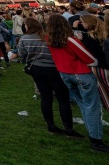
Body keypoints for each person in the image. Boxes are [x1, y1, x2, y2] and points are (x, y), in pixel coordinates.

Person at [46, 14, 109, 152]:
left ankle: (93, 133)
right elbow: (91, 59)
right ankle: (96, 139)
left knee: (83, 104)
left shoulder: (49, 39)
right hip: (80, 74)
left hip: (65, 74)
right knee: (92, 106)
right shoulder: (70, 40)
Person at [18, 17, 80, 137]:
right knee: (63, 99)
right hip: (55, 68)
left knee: (46, 97)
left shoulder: (24, 39)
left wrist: (28, 60)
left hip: (38, 69)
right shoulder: (50, 37)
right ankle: (68, 128)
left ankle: (51, 125)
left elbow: (22, 55)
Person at [78, 14, 109, 110]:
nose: (82, 24)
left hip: (99, 66)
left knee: (104, 89)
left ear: (89, 23)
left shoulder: (89, 37)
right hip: (104, 64)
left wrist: (81, 41)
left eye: (83, 22)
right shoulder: (103, 33)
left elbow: (90, 52)